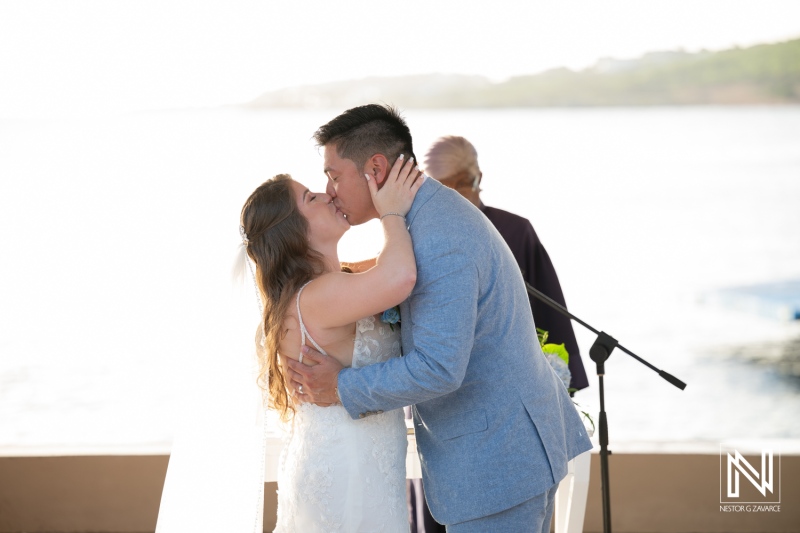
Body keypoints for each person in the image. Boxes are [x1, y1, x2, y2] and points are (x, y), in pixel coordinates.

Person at [286, 104, 593, 532]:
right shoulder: (430, 215)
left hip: (496, 467)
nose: (330, 190)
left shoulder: (438, 235)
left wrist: (340, 385)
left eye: (334, 176)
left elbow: (439, 368)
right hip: (510, 453)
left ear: (375, 168)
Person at [242, 159, 424, 531]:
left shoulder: (316, 290)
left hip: (351, 467)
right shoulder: (319, 296)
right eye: (310, 198)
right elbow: (401, 275)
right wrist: (391, 212)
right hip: (349, 476)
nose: (327, 195)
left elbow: (379, 270)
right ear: (293, 231)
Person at [423, 135, 589, 392]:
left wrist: (563, 384)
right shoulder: (419, 236)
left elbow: (551, 314)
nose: (454, 196)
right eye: (442, 187)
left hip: (510, 380)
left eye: (462, 183)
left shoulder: (515, 230)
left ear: (478, 178)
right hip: (442, 382)